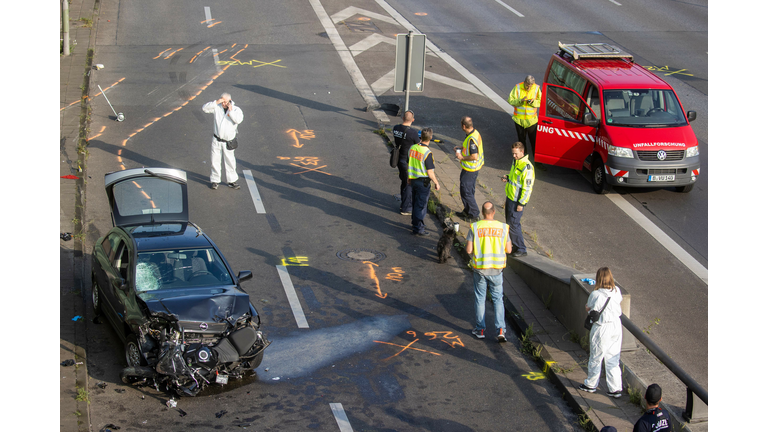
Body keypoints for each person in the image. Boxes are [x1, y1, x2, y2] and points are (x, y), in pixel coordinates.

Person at [465, 202, 512, 342]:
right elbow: (509, 250)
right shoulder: (503, 228)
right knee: (498, 299)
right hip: (497, 270)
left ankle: (480, 330)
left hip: (480, 270)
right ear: (494, 212)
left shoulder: (475, 227)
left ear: (482, 212)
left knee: (480, 299)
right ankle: (501, 330)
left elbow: (468, 250)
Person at [579, 267, 624, 398]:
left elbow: (589, 307)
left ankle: (591, 384)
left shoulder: (596, 294)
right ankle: (615, 388)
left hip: (602, 327)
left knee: (596, 357)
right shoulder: (616, 291)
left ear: (598, 278)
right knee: (613, 358)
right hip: (616, 326)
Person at [203, 93, 243, 190]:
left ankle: (232, 181)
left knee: (230, 161)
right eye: (222, 101)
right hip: (217, 139)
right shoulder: (217, 107)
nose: (224, 104)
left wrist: (230, 111)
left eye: (226, 102)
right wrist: (216, 102)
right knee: (215, 161)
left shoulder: (236, 110)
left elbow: (238, 120)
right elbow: (205, 108)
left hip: (228, 141)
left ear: (230, 101)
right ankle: (215, 180)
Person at [502, 142, 535, 257]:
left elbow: (527, 188)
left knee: (513, 224)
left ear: (522, 152)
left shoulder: (527, 167)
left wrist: (522, 203)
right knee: (510, 224)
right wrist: (507, 177)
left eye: (515, 154)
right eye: (513, 154)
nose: (514, 156)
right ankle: (515, 246)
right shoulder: (516, 161)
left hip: (517, 201)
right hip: (510, 197)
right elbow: (516, 178)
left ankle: (521, 248)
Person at [407, 128, 440, 236]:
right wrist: (436, 182)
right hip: (423, 182)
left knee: (415, 203)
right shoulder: (427, 153)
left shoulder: (412, 148)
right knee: (420, 206)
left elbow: (409, 164)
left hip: (413, 180)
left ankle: (415, 223)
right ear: (430, 138)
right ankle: (418, 229)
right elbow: (430, 172)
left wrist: (408, 178)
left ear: (420, 137)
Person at [454, 117, 484, 222]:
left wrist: (462, 157)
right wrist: (461, 148)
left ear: (463, 126)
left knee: (466, 191)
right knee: (467, 190)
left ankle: (474, 214)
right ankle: (467, 211)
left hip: (470, 169)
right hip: (471, 169)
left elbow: (474, 156)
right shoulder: (475, 133)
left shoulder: (471, 139)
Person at [392, 110, 421, 215]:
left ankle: (404, 202)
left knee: (404, 181)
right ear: (412, 120)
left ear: (403, 118)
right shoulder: (412, 133)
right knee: (409, 184)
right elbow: (418, 145)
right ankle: (406, 207)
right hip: (407, 161)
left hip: (398, 159)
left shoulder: (395, 128)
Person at [507, 75, 541, 161]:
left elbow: (541, 102)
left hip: (531, 121)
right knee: (521, 142)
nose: (528, 88)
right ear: (524, 82)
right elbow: (510, 100)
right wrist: (520, 100)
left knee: (534, 142)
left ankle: (537, 162)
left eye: (530, 86)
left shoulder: (536, 88)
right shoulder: (517, 87)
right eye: (527, 86)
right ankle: (524, 160)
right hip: (519, 120)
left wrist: (534, 102)